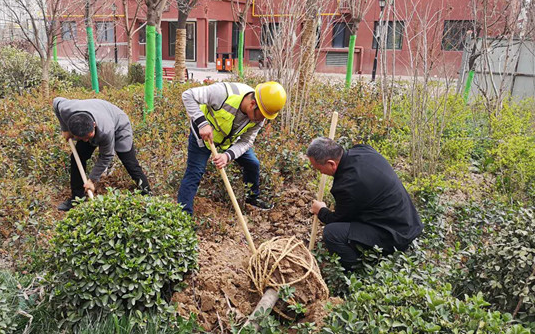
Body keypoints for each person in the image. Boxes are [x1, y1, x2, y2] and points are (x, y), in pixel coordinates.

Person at [307, 137, 423, 270]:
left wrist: (321, 210)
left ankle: (356, 271)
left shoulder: (347, 186)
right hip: (409, 221)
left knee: (332, 233)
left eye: (319, 169)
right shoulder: (363, 150)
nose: (320, 173)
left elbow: (337, 219)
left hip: (394, 235)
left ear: (331, 164)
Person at [177, 81, 287, 215]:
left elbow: (246, 142)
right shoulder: (222, 93)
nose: (261, 120)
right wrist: (202, 123)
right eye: (261, 116)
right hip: (204, 137)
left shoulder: (260, 117)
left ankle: (252, 198)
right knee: (195, 172)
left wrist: (227, 155)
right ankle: (183, 216)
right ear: (252, 104)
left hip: (229, 141)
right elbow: (188, 95)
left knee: (252, 164)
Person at [53, 97, 150, 211]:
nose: (85, 141)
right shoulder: (66, 109)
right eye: (81, 138)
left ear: (93, 125)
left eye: (88, 138)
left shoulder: (106, 130)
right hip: (91, 120)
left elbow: (107, 156)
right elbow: (56, 102)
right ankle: (77, 198)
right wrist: (65, 129)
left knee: (129, 162)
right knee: (77, 157)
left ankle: (148, 195)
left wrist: (92, 180)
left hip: (119, 125)